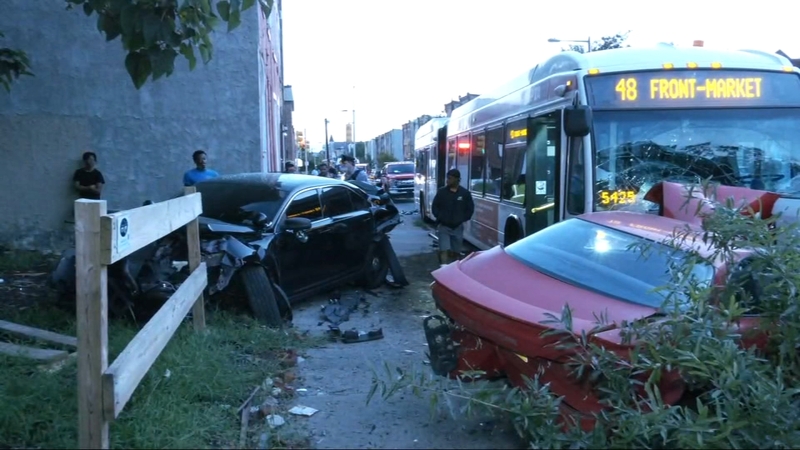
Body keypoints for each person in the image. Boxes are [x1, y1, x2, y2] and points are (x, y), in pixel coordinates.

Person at [431, 169, 475, 267]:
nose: (447, 180)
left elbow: (470, 209)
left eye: (450, 178)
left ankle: (455, 270)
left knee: (456, 252)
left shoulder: (465, 193)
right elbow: (435, 206)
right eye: (447, 178)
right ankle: (443, 268)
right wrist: (440, 217)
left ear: (457, 179)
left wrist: (462, 219)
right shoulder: (442, 192)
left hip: (457, 227)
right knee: (443, 249)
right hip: (444, 226)